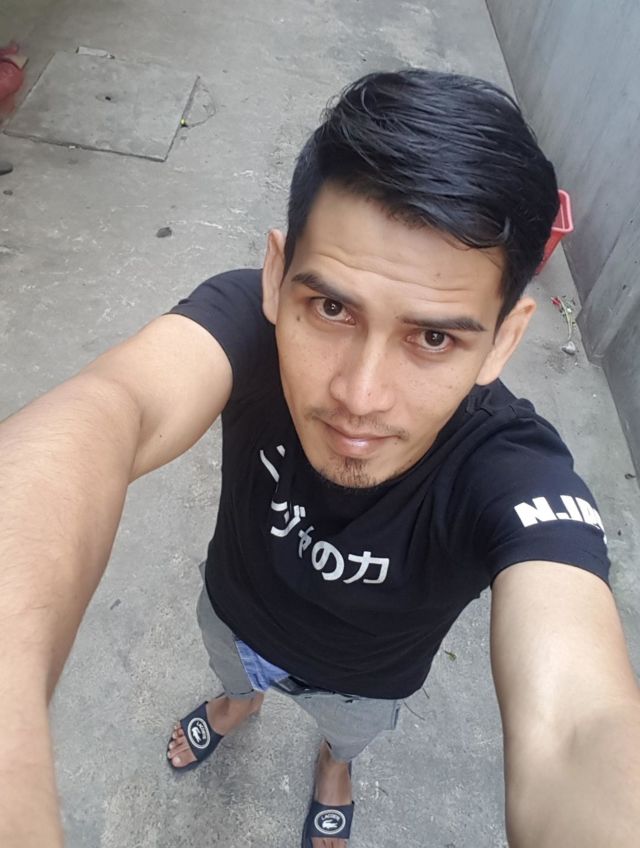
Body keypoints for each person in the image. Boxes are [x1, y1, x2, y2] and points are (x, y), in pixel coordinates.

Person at [1, 69, 639, 848]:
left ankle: (335, 767)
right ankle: (236, 705)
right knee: (233, 679)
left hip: (366, 684)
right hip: (234, 616)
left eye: (433, 337)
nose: (360, 396)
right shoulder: (247, 326)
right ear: (276, 278)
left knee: (347, 737)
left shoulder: (513, 468)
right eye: (332, 308)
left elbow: (576, 727)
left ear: (503, 341)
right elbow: (109, 412)